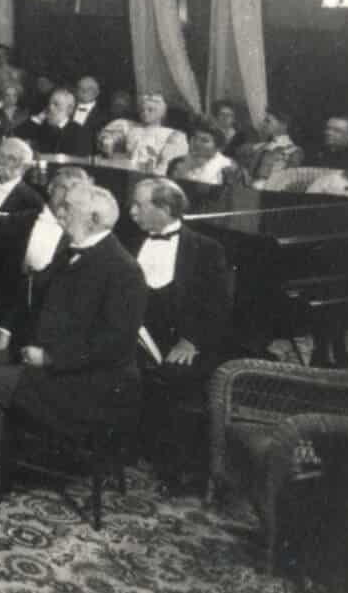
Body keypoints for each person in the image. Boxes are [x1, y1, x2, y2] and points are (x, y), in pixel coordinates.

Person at [0, 179, 147, 502]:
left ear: (94, 220)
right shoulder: (71, 251)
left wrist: (50, 357)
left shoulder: (123, 270)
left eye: (69, 208)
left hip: (83, 381)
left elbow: (113, 345)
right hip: (45, 359)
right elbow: (39, 302)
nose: (60, 211)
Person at [124, 178, 230, 493]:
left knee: (177, 378)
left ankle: (177, 467)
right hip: (132, 335)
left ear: (166, 209)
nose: (131, 212)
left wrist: (191, 341)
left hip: (179, 340)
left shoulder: (206, 250)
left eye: (139, 206)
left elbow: (219, 305)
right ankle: (125, 447)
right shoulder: (129, 240)